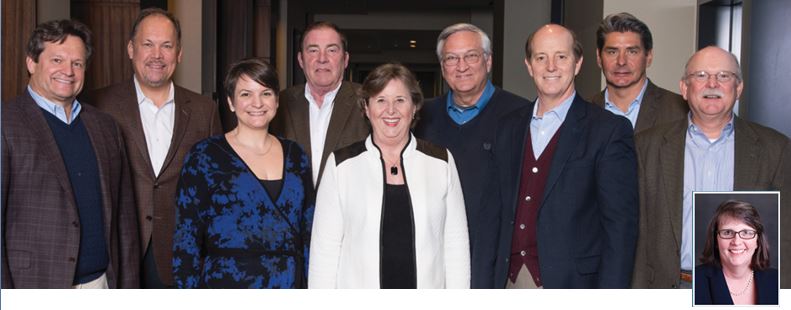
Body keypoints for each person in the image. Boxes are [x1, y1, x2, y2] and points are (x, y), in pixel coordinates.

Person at [493, 24, 638, 289]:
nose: (551, 67)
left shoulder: (608, 131)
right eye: (541, 58)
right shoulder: (507, 127)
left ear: (578, 63)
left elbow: (620, 229)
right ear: (529, 65)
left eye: (561, 56)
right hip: (508, 282)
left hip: (574, 285)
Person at [634, 46, 790, 289]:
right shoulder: (645, 146)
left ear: (738, 88)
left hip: (745, 292)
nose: (712, 83)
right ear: (684, 88)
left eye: (724, 76)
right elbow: (636, 233)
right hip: (668, 289)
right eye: (701, 75)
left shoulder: (776, 149)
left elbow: (785, 238)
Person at [89, 8, 221, 288]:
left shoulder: (204, 111)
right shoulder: (98, 105)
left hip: (182, 253)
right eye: (148, 44)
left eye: (166, 46)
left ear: (179, 53)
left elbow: (217, 189)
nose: (157, 55)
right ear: (130, 49)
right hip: (119, 250)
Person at [2, 19, 139, 288]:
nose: (68, 71)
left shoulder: (106, 127)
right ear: (31, 62)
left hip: (101, 284)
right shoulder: (6, 122)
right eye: (57, 60)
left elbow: (125, 221)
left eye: (77, 63)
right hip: (34, 286)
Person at [309, 63, 470, 288]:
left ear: (414, 107)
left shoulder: (441, 161)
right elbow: (324, 251)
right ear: (366, 107)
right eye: (381, 100)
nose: (390, 110)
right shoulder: (341, 165)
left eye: (400, 100)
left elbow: (456, 245)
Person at [172, 58, 314, 288]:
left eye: (266, 93)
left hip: (289, 283)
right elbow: (185, 240)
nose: (257, 103)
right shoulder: (205, 156)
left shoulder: (296, 155)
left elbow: (309, 233)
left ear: (277, 101)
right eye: (246, 94)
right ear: (230, 102)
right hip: (227, 284)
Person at [414, 23, 529, 288]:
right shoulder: (421, 118)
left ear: (488, 61)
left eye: (471, 56)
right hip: (435, 261)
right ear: (443, 68)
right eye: (451, 58)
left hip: (496, 262)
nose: (461, 66)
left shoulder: (520, 115)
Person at [271, 21, 369, 187]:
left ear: (345, 60)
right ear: (301, 60)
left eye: (331, 50)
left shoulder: (368, 101)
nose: (322, 59)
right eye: (313, 50)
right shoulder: (278, 104)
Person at [589, 12, 687, 133]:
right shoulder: (581, 112)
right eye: (612, 52)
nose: (621, 62)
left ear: (648, 57)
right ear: (599, 58)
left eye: (632, 52)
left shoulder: (680, 111)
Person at [695, 200, 778, 305]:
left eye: (746, 232)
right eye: (728, 232)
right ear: (716, 240)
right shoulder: (695, 280)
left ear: (758, 241)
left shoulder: (777, 280)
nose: (737, 242)